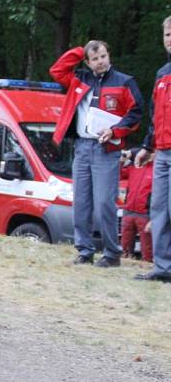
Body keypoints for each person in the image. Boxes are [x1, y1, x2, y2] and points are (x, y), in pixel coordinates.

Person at [50, 41, 143, 267]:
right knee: (81, 202)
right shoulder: (79, 79)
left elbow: (137, 112)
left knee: (104, 204)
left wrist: (115, 130)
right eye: (95, 58)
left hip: (107, 149)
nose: (100, 62)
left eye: (103, 56)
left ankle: (112, 254)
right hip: (82, 146)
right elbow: (57, 70)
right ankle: (84, 250)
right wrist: (81, 50)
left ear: (108, 55)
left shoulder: (124, 81)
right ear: (87, 61)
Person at [134, 16, 171, 282]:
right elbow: (154, 114)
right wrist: (147, 146)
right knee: (158, 208)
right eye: (167, 34)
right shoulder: (162, 74)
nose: (170, 39)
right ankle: (162, 268)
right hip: (162, 152)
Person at [119, 148, 153, 263]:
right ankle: (126, 258)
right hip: (128, 210)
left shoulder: (156, 169)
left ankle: (147, 262)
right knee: (126, 241)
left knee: (147, 244)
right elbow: (117, 175)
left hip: (145, 213)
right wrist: (122, 161)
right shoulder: (133, 167)